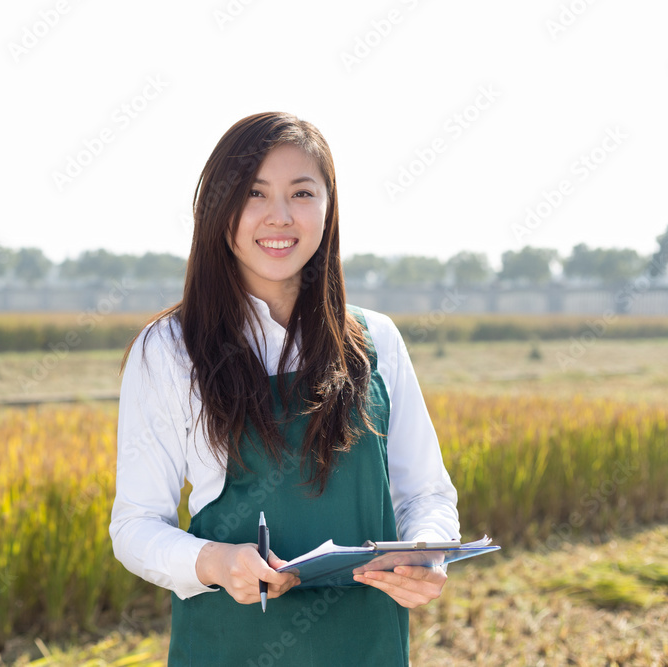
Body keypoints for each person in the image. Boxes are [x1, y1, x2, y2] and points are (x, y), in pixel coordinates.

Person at [109, 111, 460, 666]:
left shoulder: (376, 340)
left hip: (365, 645)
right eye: (255, 193)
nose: (279, 216)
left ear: (328, 209)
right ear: (219, 210)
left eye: (302, 193)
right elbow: (134, 526)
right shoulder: (170, 348)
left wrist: (426, 553)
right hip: (232, 645)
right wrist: (216, 562)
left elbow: (426, 496)